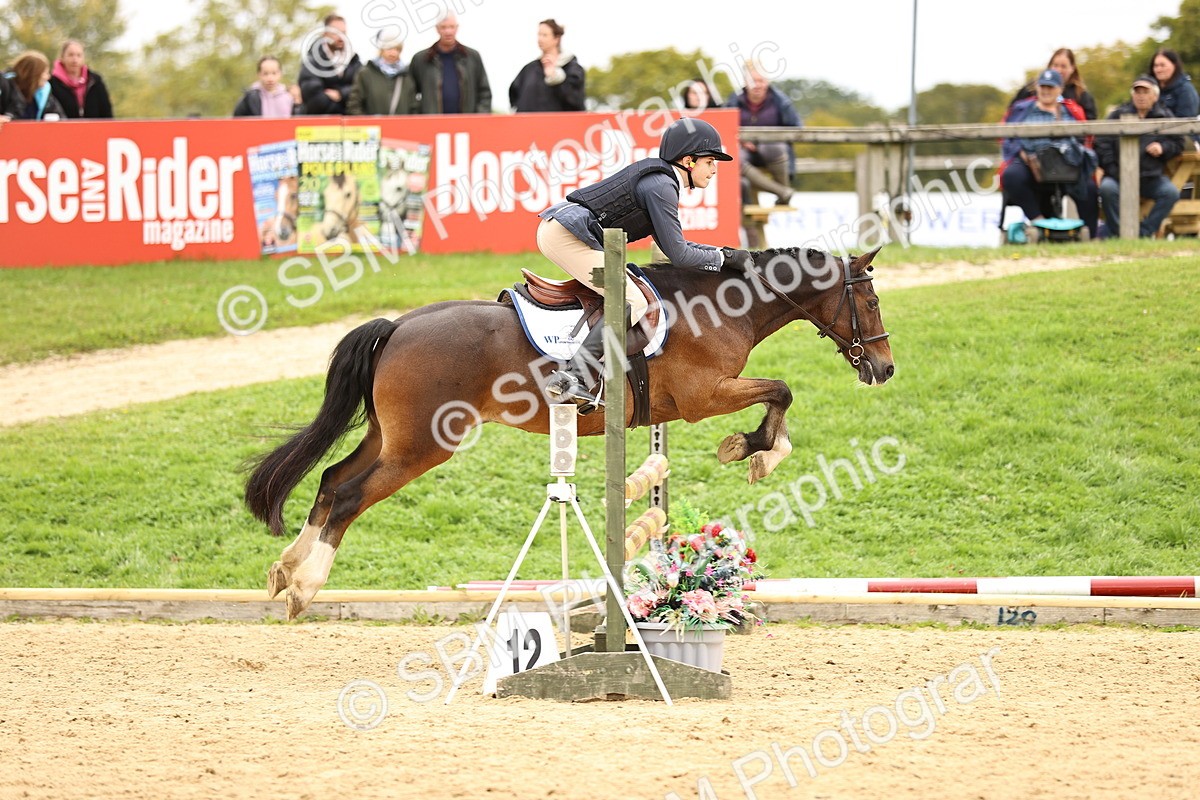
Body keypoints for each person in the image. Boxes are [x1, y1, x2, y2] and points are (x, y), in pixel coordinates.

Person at [536, 117, 752, 408]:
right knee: (632, 302)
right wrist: (723, 257)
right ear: (689, 161)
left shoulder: (661, 182)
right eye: (710, 161)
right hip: (564, 236)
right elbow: (680, 255)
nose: (714, 170)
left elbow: (676, 247)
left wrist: (722, 255)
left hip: (565, 230)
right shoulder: (662, 187)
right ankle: (571, 378)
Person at [999, 69, 1099, 239]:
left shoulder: (1070, 110)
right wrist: (1020, 152)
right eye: (1042, 86)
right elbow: (1006, 136)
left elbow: (1083, 138)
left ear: (1060, 89)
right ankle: (1039, 222)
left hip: (1065, 165)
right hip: (1031, 164)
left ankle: (1089, 235)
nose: (1046, 91)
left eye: (1050, 87)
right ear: (1037, 88)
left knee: (1089, 187)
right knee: (1011, 175)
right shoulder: (1021, 109)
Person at [1095, 75, 1185, 238]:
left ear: (1155, 96)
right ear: (1132, 95)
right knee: (1107, 189)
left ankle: (1143, 233)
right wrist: (1113, 169)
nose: (1141, 96)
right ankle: (1120, 233)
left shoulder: (1165, 116)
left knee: (1171, 193)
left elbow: (1179, 143)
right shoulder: (1118, 115)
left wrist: (1163, 147)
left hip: (1150, 178)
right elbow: (1101, 143)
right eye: (1137, 92)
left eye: (1145, 91)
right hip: (1118, 176)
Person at [724, 62, 801, 245]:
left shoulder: (781, 102)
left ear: (767, 81)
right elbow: (725, 127)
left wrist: (765, 139)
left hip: (774, 152)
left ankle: (783, 193)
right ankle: (783, 192)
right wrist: (742, 140)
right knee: (735, 158)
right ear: (745, 82)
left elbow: (797, 129)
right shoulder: (734, 100)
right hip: (744, 152)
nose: (757, 84)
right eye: (753, 80)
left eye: (761, 80)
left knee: (773, 147)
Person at [409, 12, 491, 114]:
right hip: (432, 124)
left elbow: (484, 92)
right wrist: (417, 117)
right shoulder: (421, 59)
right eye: (443, 27)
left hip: (467, 124)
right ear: (437, 29)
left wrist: (479, 117)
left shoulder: (472, 57)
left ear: (457, 28)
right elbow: (410, 94)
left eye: (451, 27)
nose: (448, 31)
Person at [509, 18, 585, 112]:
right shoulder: (529, 69)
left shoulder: (572, 69)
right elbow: (514, 96)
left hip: (560, 125)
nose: (540, 39)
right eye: (539, 34)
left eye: (545, 35)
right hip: (529, 125)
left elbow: (575, 101)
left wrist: (555, 78)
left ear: (557, 38)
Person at [298, 13, 362, 115]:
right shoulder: (311, 62)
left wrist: (340, 94)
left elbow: (362, 92)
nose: (341, 37)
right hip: (320, 125)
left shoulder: (355, 62)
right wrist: (343, 109)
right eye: (336, 33)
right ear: (325, 34)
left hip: (351, 127)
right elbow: (315, 100)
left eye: (343, 33)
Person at [347, 26, 418, 115]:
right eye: (389, 48)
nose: (393, 53)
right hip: (373, 128)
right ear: (381, 50)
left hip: (401, 128)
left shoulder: (406, 77)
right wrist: (368, 124)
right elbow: (354, 105)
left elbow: (414, 108)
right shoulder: (366, 74)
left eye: (397, 49)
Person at [1009, 48, 1096, 120]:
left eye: (1063, 66)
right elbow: (1012, 111)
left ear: (1072, 68)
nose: (1059, 70)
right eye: (1055, 65)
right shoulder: (1030, 89)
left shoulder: (1081, 94)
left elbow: (1090, 123)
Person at [48, 39, 113, 118]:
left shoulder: (95, 80)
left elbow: (106, 111)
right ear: (62, 57)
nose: (75, 60)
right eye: (70, 55)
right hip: (63, 129)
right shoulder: (51, 83)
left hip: (94, 129)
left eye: (79, 55)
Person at [1149, 48, 1200, 146]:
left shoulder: (1186, 90)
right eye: (1155, 66)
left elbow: (1185, 124)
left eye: (1162, 65)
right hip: (1154, 141)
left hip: (1184, 143)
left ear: (1174, 65)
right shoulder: (1151, 89)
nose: (1158, 69)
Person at [3, 51, 66, 121]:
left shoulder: (45, 96)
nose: (48, 77)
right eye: (45, 73)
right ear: (33, 73)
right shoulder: (6, 91)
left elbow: (62, 120)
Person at [234, 56, 300, 117]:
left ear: (280, 74)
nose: (270, 78)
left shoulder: (288, 96)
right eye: (265, 74)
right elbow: (237, 119)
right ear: (259, 74)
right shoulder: (250, 98)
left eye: (274, 73)